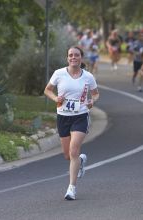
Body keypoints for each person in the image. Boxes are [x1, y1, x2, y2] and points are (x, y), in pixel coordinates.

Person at [44, 46, 99, 200]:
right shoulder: (59, 73)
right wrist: (55, 99)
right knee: (68, 155)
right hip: (63, 116)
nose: (73, 57)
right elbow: (47, 90)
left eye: (76, 55)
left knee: (74, 150)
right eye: (70, 55)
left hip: (81, 115)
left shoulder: (88, 76)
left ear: (81, 58)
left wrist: (91, 101)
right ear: (67, 58)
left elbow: (95, 94)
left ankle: (71, 189)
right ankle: (81, 160)